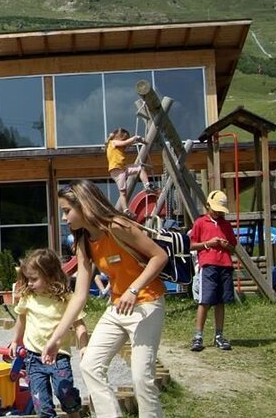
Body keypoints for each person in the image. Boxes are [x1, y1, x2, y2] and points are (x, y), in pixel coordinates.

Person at [49, 179, 167, 418]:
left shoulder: (118, 226)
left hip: (147, 304)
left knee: (141, 379)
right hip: (117, 308)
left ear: (83, 205)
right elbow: (79, 295)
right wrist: (57, 337)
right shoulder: (84, 242)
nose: (64, 218)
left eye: (67, 211)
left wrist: (133, 290)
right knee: (90, 366)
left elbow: (159, 256)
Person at [9, 249, 88, 418]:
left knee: (65, 393)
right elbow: (21, 320)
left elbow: (80, 326)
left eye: (34, 279)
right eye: (27, 279)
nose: (29, 283)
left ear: (50, 275)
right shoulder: (28, 297)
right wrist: (15, 341)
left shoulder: (66, 299)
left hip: (59, 357)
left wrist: (83, 347)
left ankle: (74, 413)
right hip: (33, 359)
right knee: (41, 404)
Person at [188, 190, 237, 352]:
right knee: (205, 301)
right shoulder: (200, 223)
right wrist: (208, 244)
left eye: (220, 211)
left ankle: (219, 336)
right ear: (208, 206)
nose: (218, 213)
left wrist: (226, 246)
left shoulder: (226, 225)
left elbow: (233, 247)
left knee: (221, 301)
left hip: (225, 265)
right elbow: (191, 245)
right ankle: (198, 336)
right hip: (208, 265)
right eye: (215, 210)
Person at [106, 128, 156, 213]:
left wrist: (142, 141)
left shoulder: (118, 145)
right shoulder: (113, 142)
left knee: (140, 168)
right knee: (123, 192)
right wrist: (135, 138)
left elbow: (128, 143)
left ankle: (147, 185)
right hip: (116, 171)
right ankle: (125, 210)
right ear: (120, 138)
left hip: (123, 168)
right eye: (124, 139)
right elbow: (126, 142)